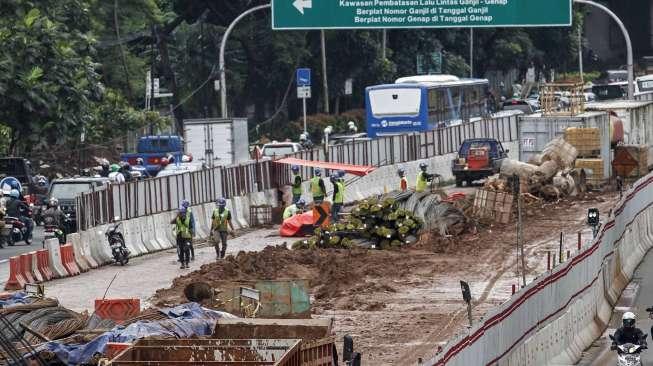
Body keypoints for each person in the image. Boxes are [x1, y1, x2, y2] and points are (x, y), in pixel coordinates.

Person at [171, 205, 194, 269]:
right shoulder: (177, 219)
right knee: (181, 250)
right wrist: (176, 217)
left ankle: (187, 262)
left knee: (186, 249)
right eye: (180, 213)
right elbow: (171, 222)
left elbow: (191, 227)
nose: (182, 214)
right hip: (179, 237)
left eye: (182, 213)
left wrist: (192, 237)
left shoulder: (188, 219)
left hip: (187, 237)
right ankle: (182, 263)